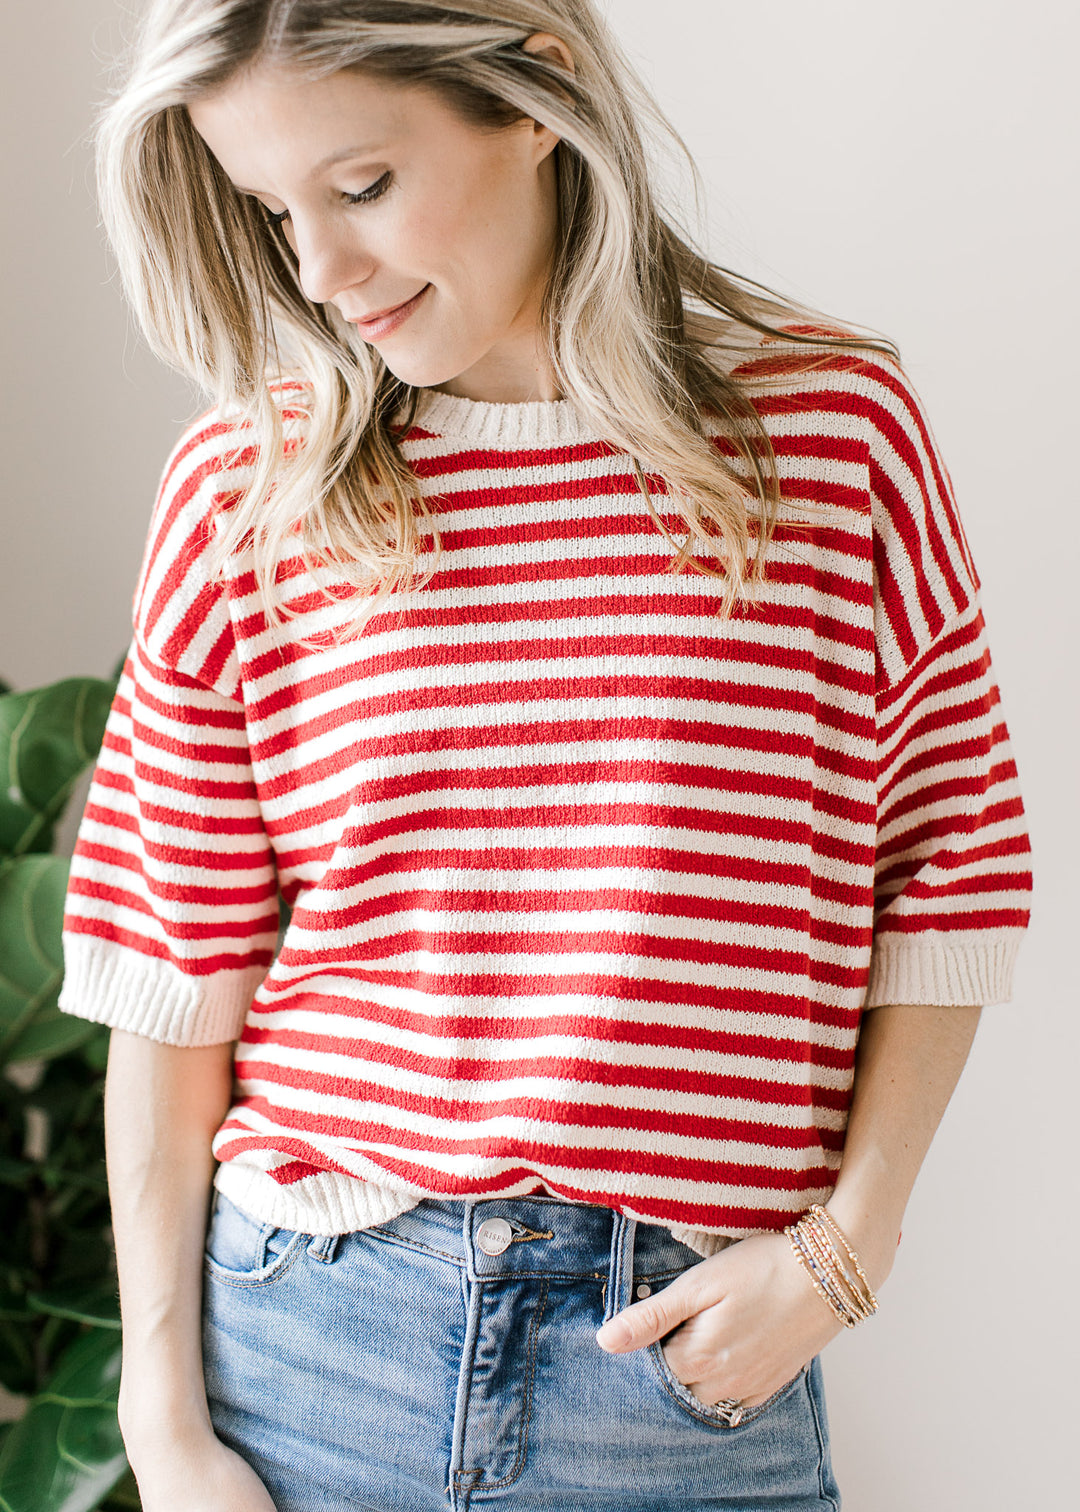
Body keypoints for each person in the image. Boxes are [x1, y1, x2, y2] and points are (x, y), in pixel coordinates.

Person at [59, 3, 1033, 1509]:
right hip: (311, 1347)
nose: (320, 272)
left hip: (688, 1374)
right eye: (270, 210)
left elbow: (954, 871)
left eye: (362, 185)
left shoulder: (832, 436)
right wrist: (166, 1432)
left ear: (535, 89)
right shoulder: (242, 488)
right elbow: (170, 969)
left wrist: (848, 1252)